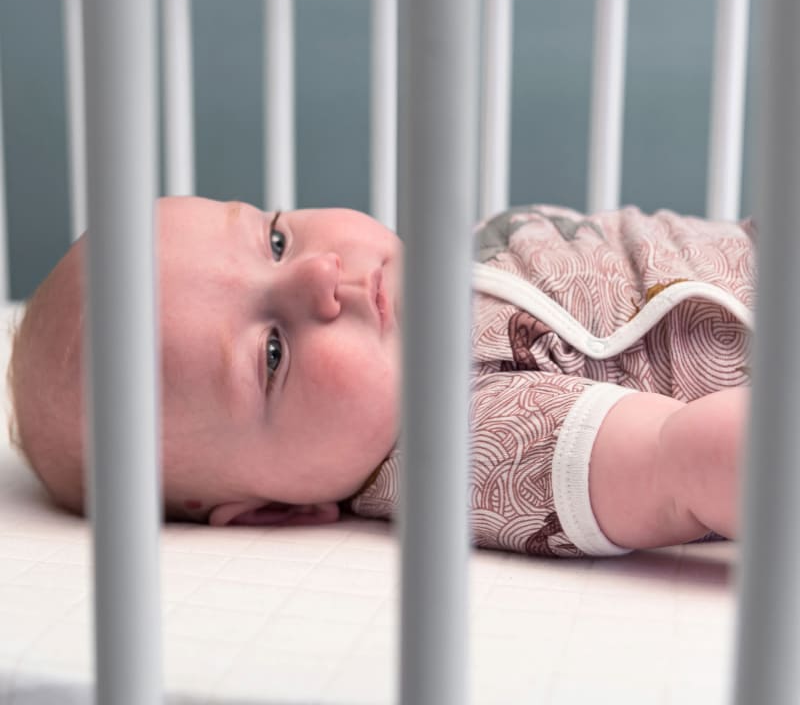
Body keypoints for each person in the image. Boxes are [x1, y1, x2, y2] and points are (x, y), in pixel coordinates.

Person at [7, 197, 753, 558]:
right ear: (275, 511)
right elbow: (691, 459)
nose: (318, 274)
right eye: (272, 354)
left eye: (275, 240)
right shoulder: (464, 444)